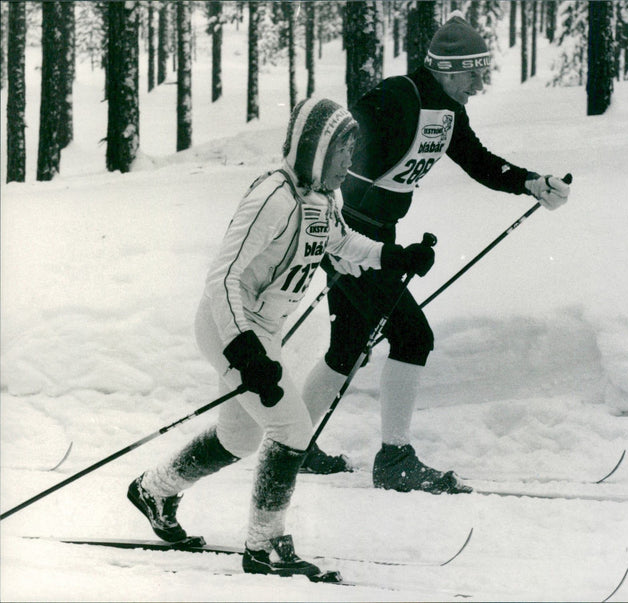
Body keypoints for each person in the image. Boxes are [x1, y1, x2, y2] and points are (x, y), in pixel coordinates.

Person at [127, 97, 435, 581]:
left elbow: (340, 241)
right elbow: (223, 278)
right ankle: (266, 544)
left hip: (260, 332)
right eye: (343, 153)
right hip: (231, 327)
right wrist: (245, 351)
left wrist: (394, 257)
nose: (350, 164)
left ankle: (155, 489)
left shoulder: (320, 198)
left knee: (239, 436)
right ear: (316, 149)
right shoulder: (272, 197)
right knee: (291, 429)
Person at [301, 13, 571, 495]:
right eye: (473, 73)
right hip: (352, 241)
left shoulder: (446, 111)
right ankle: (394, 458)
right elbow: (335, 148)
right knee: (412, 336)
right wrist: (333, 233)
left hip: (379, 239)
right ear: (448, 69)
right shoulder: (395, 98)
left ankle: (292, 445)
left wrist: (531, 182)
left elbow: (480, 162)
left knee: (347, 348)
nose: (479, 82)